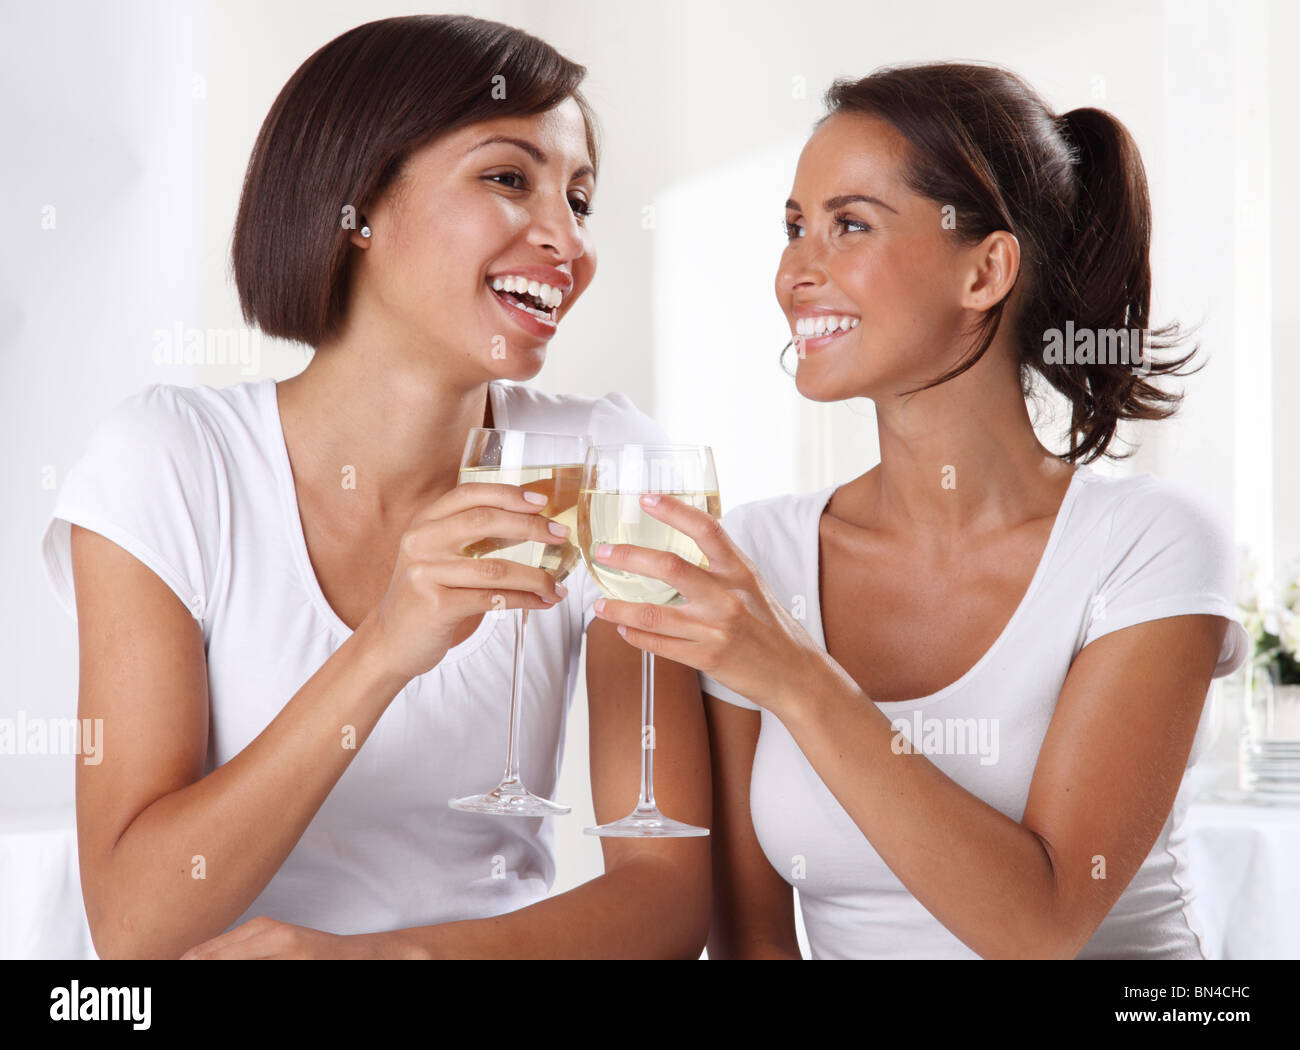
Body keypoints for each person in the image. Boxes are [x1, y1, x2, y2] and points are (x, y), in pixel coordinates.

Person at [41, 14, 710, 960]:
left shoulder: (605, 460)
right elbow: (136, 926)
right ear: (353, 205)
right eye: (509, 178)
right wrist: (388, 646)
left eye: (583, 199)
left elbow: (667, 898)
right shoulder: (172, 463)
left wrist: (392, 961)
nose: (567, 240)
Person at [588, 62, 1249, 959]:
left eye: (848, 225)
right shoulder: (759, 554)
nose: (795, 273)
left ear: (985, 270)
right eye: (793, 229)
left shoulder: (1147, 543)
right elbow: (754, 944)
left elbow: (1042, 924)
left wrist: (794, 675)